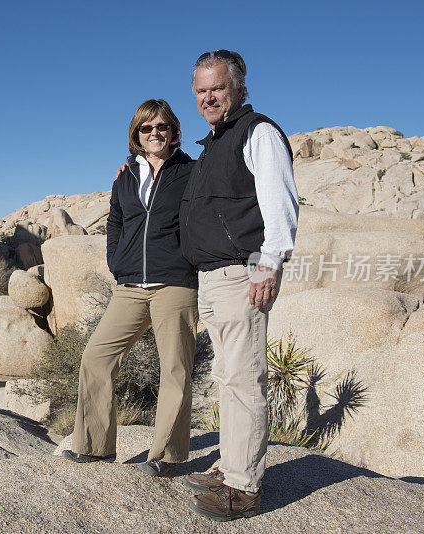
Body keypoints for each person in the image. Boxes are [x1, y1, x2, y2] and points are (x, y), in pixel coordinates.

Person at [179, 50, 299, 521]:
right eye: (201, 91)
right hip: (213, 279)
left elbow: (279, 201)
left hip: (241, 274)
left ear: (239, 88)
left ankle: (244, 488)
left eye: (217, 88)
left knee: (245, 379)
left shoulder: (258, 133)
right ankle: (230, 467)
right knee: (228, 378)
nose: (209, 97)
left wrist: (268, 263)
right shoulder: (215, 142)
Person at [62, 99, 198, 477]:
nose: (155, 134)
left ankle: (167, 456)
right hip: (131, 286)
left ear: (173, 132)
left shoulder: (191, 171)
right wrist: (117, 262)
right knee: (96, 357)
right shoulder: (125, 176)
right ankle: (94, 447)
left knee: (175, 369)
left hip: (175, 283)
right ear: (136, 134)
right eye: (146, 128)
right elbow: (117, 223)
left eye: (162, 127)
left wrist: (190, 259)